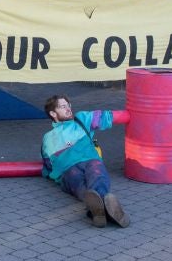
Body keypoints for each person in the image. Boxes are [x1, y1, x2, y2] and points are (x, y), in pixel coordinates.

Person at [41, 95, 129, 228]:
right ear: (53, 113)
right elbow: (47, 165)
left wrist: (137, 113)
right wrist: (50, 175)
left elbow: (106, 117)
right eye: (63, 106)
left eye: (68, 105)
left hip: (90, 160)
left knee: (97, 175)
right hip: (67, 170)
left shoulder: (81, 119)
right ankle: (106, 208)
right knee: (79, 185)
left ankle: (96, 211)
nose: (68, 109)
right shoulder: (47, 138)